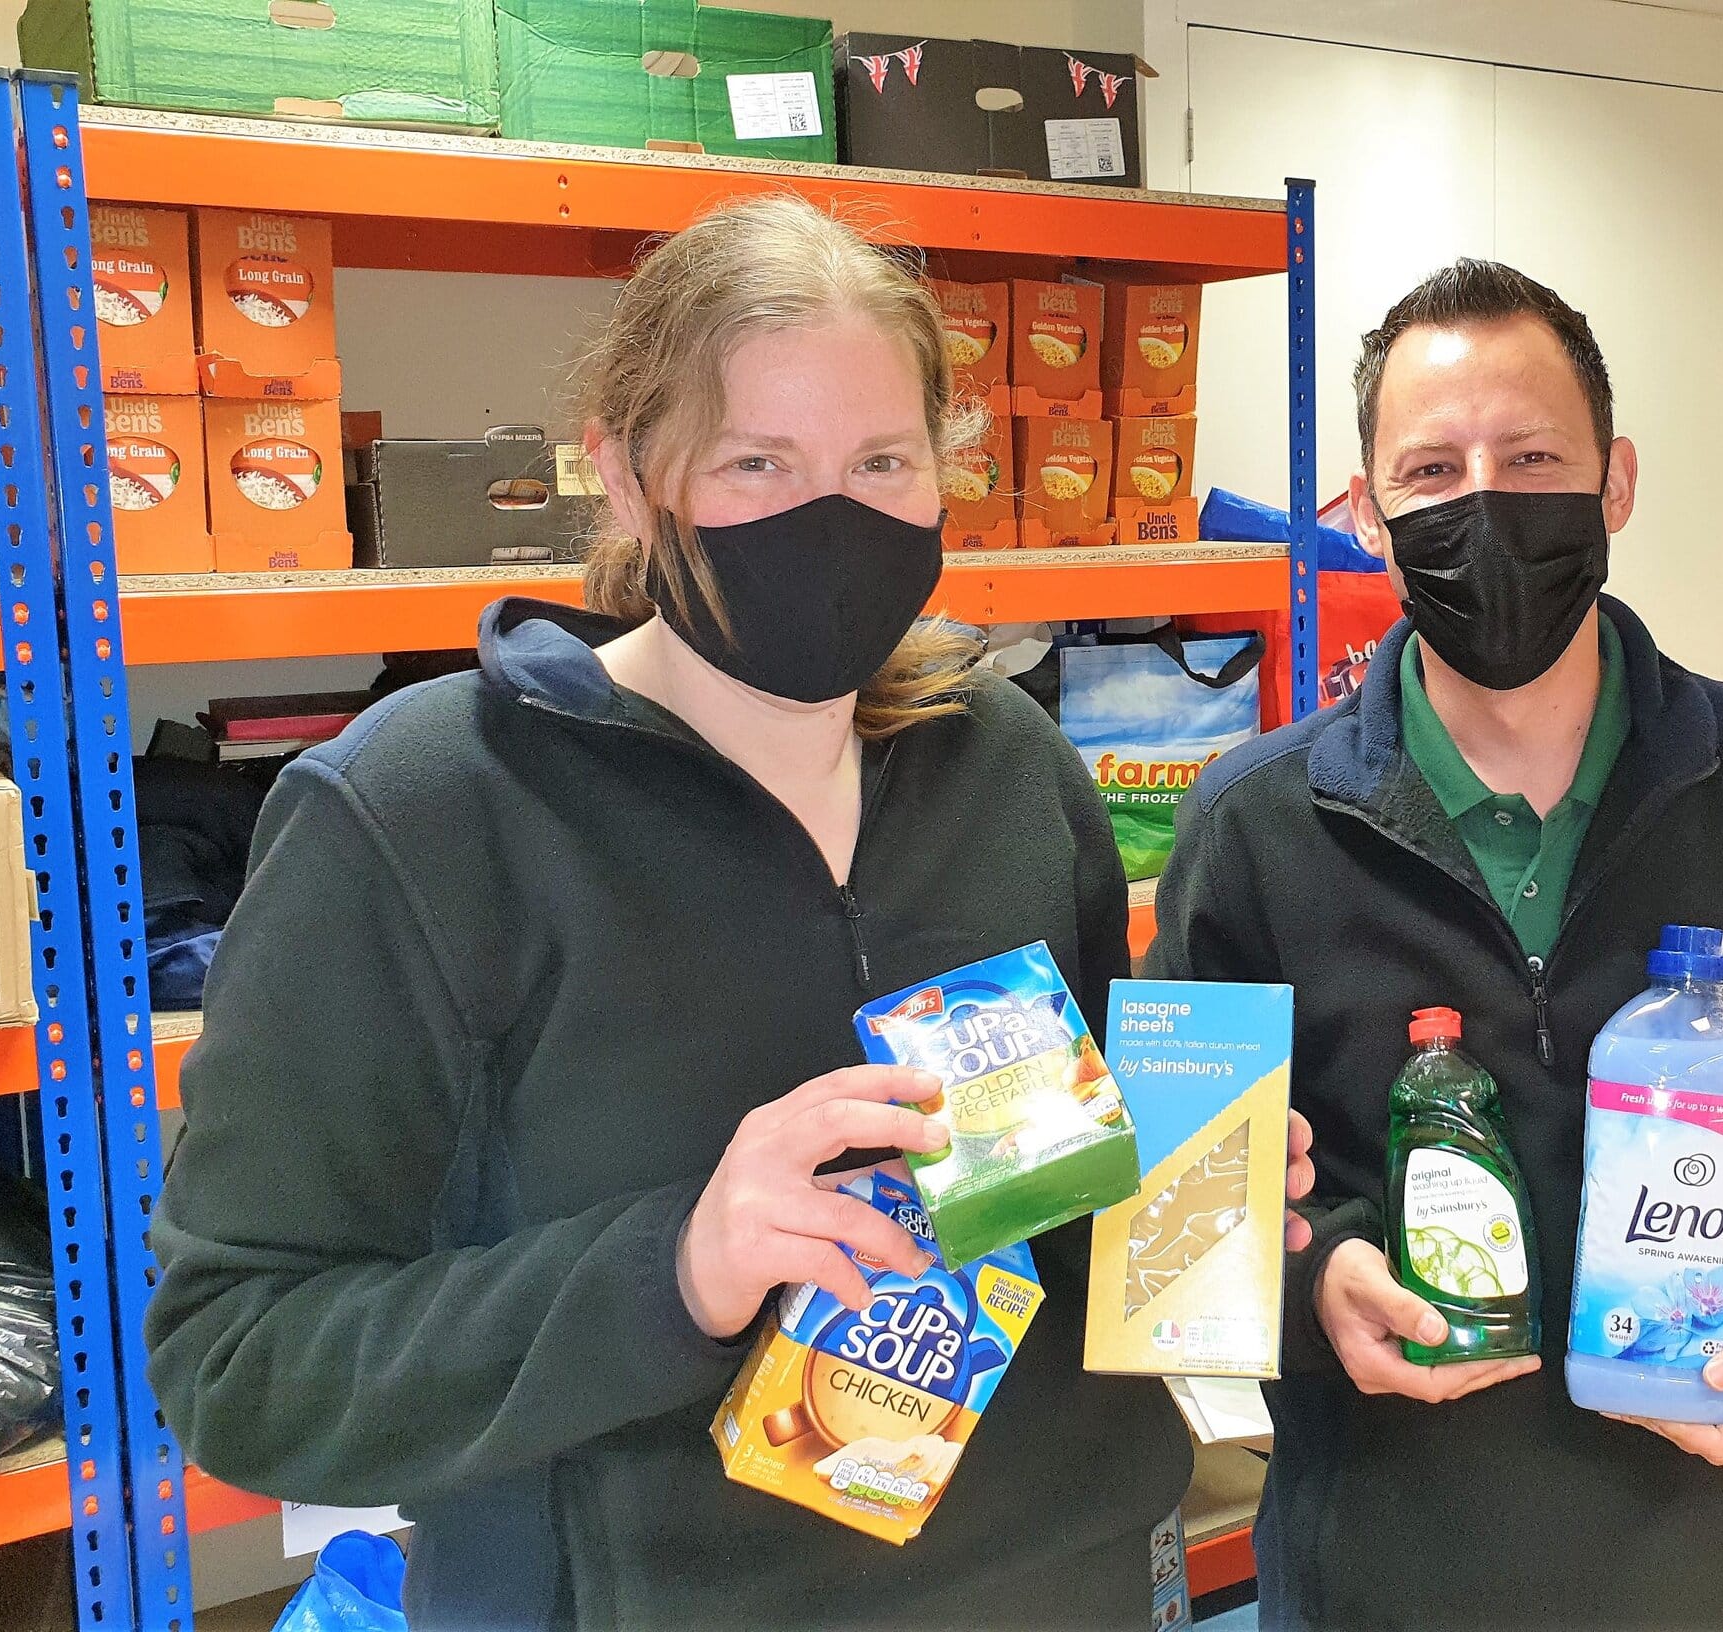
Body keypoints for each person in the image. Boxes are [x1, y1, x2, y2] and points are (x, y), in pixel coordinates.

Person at [143, 196, 1197, 1628]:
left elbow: (1068, 1208)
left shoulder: (1006, 763)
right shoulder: (418, 813)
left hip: (1058, 1583)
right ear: (631, 474)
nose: (833, 518)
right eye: (760, 463)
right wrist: (675, 1268)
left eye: (882, 461)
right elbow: (240, 1366)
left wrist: (1205, 1186)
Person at [1149, 259, 1723, 1629]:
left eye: (1533, 456)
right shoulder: (1251, 832)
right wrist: (1319, 1279)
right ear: (1363, 515)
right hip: (1386, 1565)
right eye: (1431, 470)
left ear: (1618, 484)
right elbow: (1188, 1195)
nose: (1484, 502)